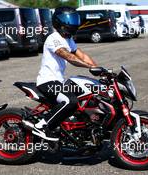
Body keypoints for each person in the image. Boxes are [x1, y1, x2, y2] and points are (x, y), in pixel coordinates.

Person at [30, 7, 97, 141]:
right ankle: (42, 125)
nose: (72, 23)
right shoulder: (53, 38)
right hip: (47, 82)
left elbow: (81, 54)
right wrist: (89, 66)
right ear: (60, 22)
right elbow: (68, 56)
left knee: (89, 93)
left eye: (73, 20)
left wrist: (99, 68)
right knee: (70, 101)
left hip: (59, 82)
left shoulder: (69, 39)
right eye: (69, 20)